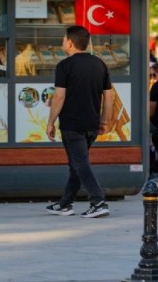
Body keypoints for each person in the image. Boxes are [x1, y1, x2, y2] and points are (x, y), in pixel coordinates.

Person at [45, 25, 114, 218]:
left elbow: (59, 97)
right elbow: (109, 98)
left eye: (63, 39)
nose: (62, 42)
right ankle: (65, 204)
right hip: (92, 124)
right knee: (76, 163)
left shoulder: (64, 66)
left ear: (70, 42)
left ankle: (98, 201)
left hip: (72, 124)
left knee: (80, 164)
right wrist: (104, 121)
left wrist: (51, 121)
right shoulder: (99, 64)